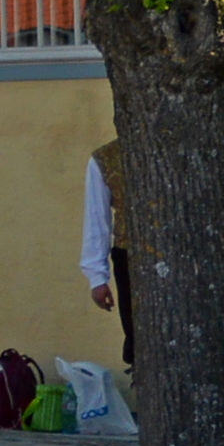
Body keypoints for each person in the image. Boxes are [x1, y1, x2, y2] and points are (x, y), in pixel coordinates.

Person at [82, 139, 135, 367]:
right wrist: (97, 277)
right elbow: (97, 219)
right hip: (130, 256)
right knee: (137, 333)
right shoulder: (105, 159)